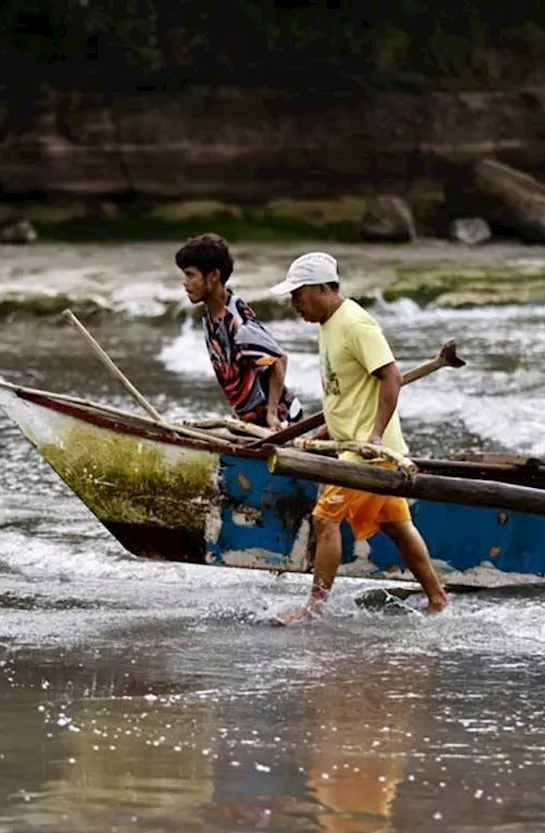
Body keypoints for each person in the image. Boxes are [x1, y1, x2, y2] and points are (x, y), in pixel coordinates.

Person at [268, 251, 448, 624]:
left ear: (321, 288)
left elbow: (391, 376)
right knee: (396, 526)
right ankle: (438, 599)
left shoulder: (355, 324)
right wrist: (320, 434)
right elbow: (344, 395)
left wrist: (377, 435)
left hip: (369, 452)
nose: (294, 304)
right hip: (351, 445)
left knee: (325, 519)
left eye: (298, 295)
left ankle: (313, 608)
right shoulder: (328, 325)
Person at [175, 233, 302, 431]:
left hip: (278, 423)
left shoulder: (238, 326)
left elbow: (278, 360)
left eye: (190, 275)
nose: (185, 283)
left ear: (214, 276)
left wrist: (272, 413)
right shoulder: (210, 316)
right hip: (249, 420)